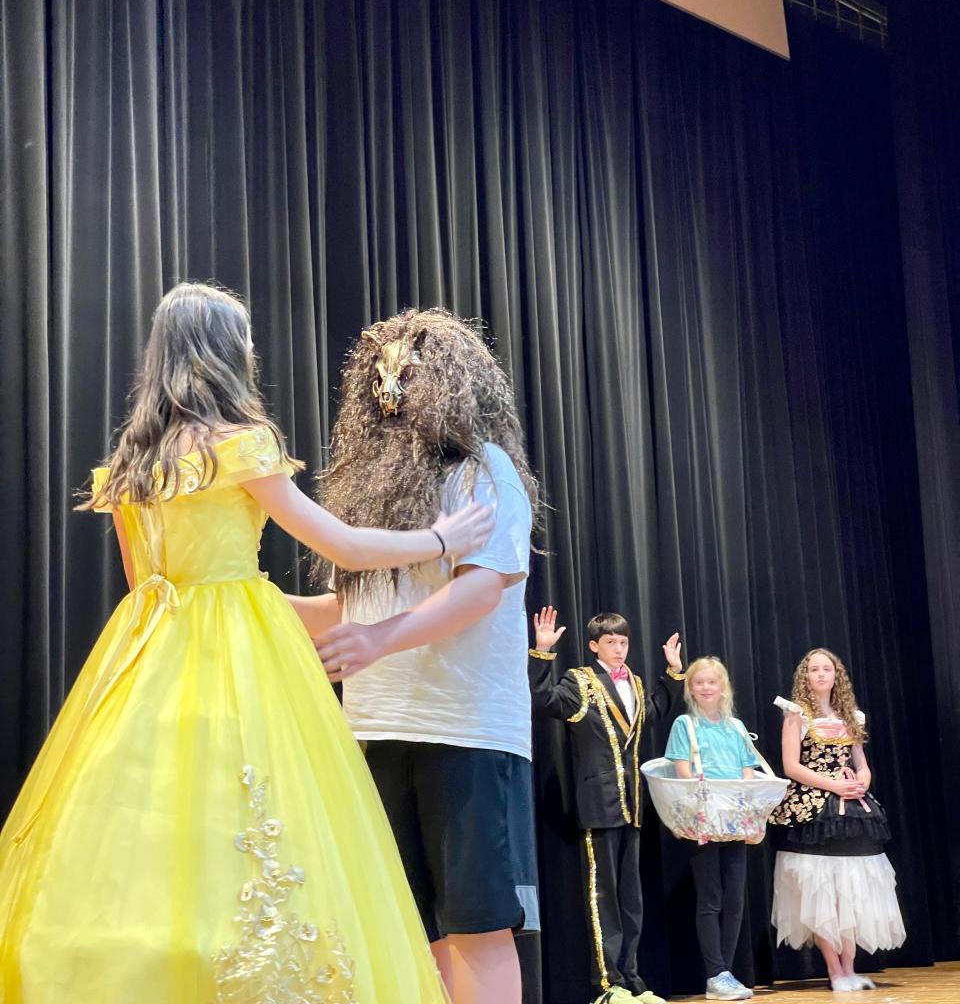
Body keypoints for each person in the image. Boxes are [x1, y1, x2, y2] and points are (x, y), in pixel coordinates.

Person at [0, 282, 494, 1003]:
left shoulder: (136, 462)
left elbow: (146, 582)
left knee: (157, 827)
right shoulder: (241, 445)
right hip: (237, 655)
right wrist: (441, 537)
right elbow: (343, 544)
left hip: (145, 656)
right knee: (265, 812)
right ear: (226, 354)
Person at [294, 309, 540, 1004]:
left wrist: (380, 640)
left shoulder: (482, 472)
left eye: (409, 372)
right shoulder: (372, 493)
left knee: (477, 923)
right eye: (380, 374)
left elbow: (482, 591)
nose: (391, 387)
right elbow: (354, 610)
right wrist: (246, 600)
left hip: (462, 729)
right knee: (403, 921)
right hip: (373, 730)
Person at [529, 605, 684, 1004]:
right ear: (595, 645)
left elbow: (652, 713)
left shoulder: (632, 680)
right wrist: (543, 653)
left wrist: (672, 674)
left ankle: (631, 977)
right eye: (611, 642)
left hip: (631, 805)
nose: (619, 649)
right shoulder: (581, 681)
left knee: (631, 899)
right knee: (604, 898)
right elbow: (545, 701)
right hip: (598, 801)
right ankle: (606, 982)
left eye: (624, 642)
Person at [769, 648, 906, 992]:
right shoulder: (796, 715)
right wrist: (834, 785)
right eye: (813, 669)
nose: (820, 675)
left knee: (850, 890)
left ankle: (850, 967)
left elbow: (861, 761)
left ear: (835, 675)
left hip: (852, 809)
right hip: (813, 810)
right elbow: (791, 766)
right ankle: (834, 969)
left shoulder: (851, 717)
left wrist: (862, 781)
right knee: (820, 891)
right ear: (806, 676)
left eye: (826, 669)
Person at [665, 656, 761, 1001]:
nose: (706, 688)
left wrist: (745, 807)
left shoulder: (735, 728)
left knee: (735, 898)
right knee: (711, 897)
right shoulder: (684, 725)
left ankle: (726, 972)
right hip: (704, 819)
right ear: (690, 688)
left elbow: (748, 772)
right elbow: (682, 772)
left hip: (734, 820)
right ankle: (714, 972)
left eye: (712, 682)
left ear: (724, 688)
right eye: (699, 682)